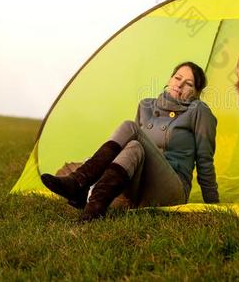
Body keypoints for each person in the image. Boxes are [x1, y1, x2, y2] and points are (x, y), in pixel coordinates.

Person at [41, 61, 219, 221]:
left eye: (188, 84)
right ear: (170, 78)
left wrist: (212, 203)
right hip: (138, 184)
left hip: (172, 188)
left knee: (130, 128)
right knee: (133, 145)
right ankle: (95, 207)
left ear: (196, 93)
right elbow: (128, 149)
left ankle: (79, 180)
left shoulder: (199, 111)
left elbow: (205, 159)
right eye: (177, 77)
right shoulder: (146, 105)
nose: (179, 84)